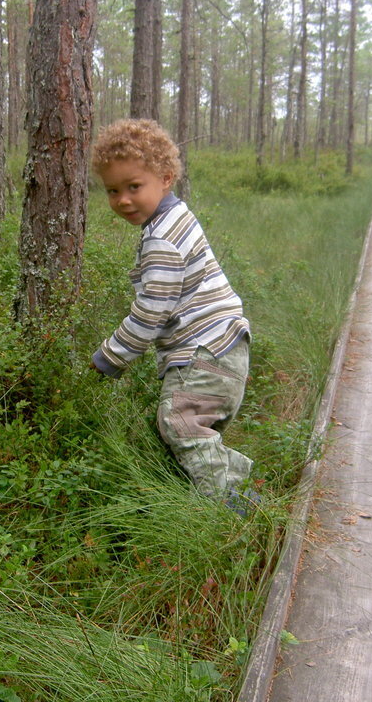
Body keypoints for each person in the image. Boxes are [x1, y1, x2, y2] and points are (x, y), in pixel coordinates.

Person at [89, 119, 259, 516]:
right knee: (193, 431)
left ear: (165, 178)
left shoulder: (162, 239)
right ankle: (240, 486)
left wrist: (110, 357)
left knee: (179, 424)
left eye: (134, 186)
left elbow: (151, 312)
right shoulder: (176, 216)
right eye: (112, 191)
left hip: (203, 353)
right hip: (226, 346)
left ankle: (236, 509)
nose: (123, 200)